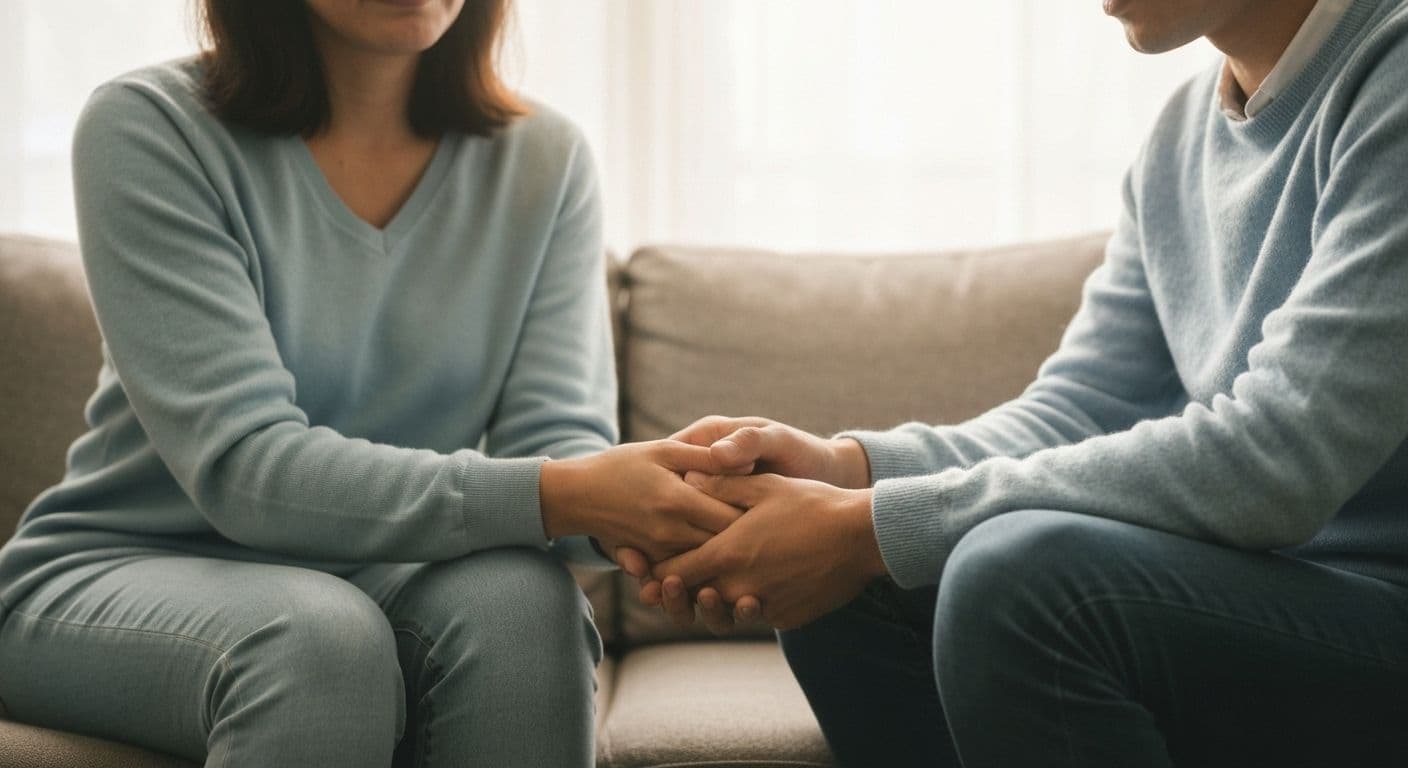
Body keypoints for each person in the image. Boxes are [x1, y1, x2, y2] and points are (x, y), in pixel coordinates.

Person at [619, 0, 1408, 765]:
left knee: (1014, 577)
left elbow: (1278, 459)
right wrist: (846, 471)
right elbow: (1082, 407)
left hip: (1377, 615)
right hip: (1278, 601)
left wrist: (867, 528)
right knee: (855, 589)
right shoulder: (1179, 140)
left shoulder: (1393, 75)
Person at [0, 1, 741, 766]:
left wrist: (690, 508)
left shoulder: (544, 161)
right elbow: (245, 468)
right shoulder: (150, 127)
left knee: (525, 606)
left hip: (376, 569)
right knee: (317, 641)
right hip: (120, 567)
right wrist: (575, 492)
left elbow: (557, 450)